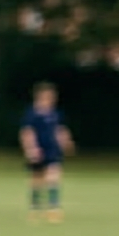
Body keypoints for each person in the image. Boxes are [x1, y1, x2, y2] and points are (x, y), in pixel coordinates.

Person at [17, 82, 73, 222]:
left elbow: (59, 129)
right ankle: (35, 207)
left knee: (53, 176)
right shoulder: (32, 113)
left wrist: (66, 142)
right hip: (38, 149)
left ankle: (53, 208)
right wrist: (31, 149)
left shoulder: (55, 113)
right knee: (36, 179)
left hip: (52, 149)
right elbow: (26, 132)